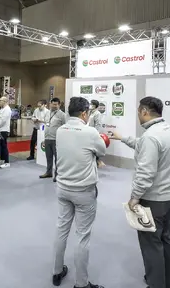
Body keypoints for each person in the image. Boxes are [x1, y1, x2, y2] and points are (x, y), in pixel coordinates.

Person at [112, 97, 170, 288]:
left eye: (138, 112)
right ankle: (166, 282)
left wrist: (135, 198)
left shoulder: (151, 136)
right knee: (164, 239)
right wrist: (122, 138)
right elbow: (142, 144)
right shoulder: (166, 129)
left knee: (151, 246)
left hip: (154, 201)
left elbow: (146, 172)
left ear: (144, 111)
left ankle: (156, 283)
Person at [51, 96, 106, 288]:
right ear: (84, 113)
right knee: (82, 236)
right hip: (83, 191)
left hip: (62, 187)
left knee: (61, 229)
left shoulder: (61, 130)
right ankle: (81, 283)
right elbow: (102, 151)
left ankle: (56, 271)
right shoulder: (90, 132)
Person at [41, 98, 67, 181]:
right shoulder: (47, 113)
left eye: (56, 104)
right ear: (50, 104)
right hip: (47, 138)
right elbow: (46, 125)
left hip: (56, 140)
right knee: (48, 157)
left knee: (57, 159)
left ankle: (57, 175)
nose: (54, 106)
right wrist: (44, 139)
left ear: (59, 105)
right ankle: (49, 172)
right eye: (53, 104)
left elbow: (65, 128)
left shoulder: (62, 115)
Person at [0, 96, 12, 169]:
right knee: (0, 145)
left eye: (0, 100)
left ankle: (7, 162)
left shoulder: (7, 109)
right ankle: (2, 159)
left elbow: (3, 120)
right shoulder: (2, 109)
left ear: (5, 101)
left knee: (4, 146)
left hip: (4, 130)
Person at [88, 100, 105, 168]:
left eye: (92, 104)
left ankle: (98, 162)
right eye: (90, 104)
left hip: (93, 133)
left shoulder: (97, 113)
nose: (90, 105)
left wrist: (96, 134)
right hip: (88, 132)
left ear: (95, 106)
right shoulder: (89, 112)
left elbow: (98, 125)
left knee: (94, 149)